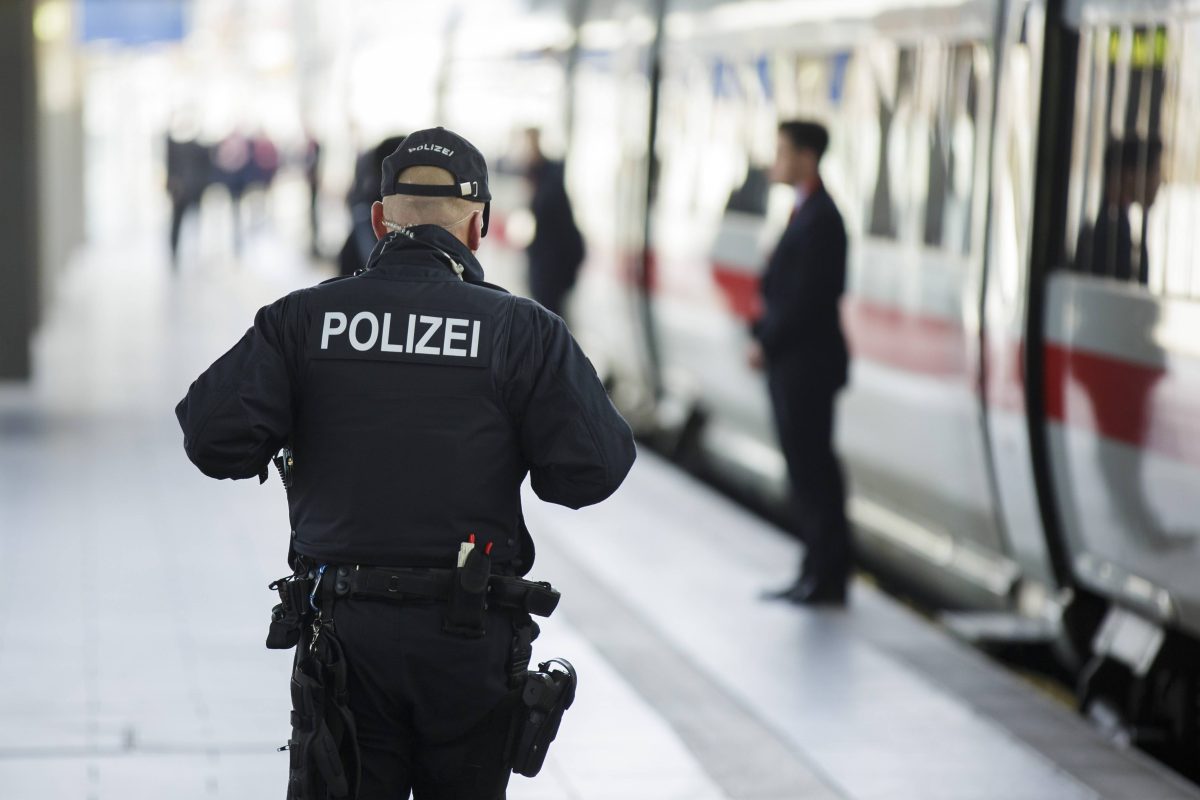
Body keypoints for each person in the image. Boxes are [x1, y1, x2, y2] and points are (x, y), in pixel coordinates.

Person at [175, 127, 636, 798]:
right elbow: (592, 470)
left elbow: (212, 436)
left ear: (379, 218)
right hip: (471, 636)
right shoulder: (523, 331)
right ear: (478, 226)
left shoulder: (303, 320)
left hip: (343, 638)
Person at [750, 120, 852, 606]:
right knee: (804, 469)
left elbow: (808, 297)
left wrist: (765, 341)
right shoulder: (805, 211)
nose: (775, 160)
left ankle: (827, 575)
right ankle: (813, 568)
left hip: (806, 365)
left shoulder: (823, 218)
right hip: (795, 362)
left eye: (782, 151)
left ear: (807, 157)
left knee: (813, 469)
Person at [1075, 137, 1163, 284]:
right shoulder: (1112, 236)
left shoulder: (1119, 226)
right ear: (1130, 175)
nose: (1159, 181)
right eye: (1155, 171)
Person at [523, 128, 585, 317]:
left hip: (555, 262)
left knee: (551, 314)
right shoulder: (540, 175)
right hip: (551, 260)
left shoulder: (550, 181)